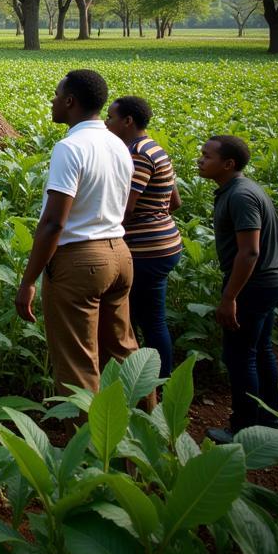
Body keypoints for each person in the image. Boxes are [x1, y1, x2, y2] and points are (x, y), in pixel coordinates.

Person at [16, 69, 138, 396]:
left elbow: (54, 222)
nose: (53, 101)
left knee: (78, 365)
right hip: (119, 255)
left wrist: (28, 281)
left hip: (80, 262)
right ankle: (147, 433)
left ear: (69, 101)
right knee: (123, 352)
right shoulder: (118, 145)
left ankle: (86, 444)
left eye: (57, 96)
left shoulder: (70, 148)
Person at [197, 135, 278, 442]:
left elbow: (249, 251)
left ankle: (244, 430)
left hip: (256, 284)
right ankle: (268, 420)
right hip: (272, 279)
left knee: (240, 357)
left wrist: (230, 297)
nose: (200, 159)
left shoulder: (240, 196)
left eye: (207, 156)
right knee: (260, 350)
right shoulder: (241, 188)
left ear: (229, 164)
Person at [105, 96, 183, 379]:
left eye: (111, 117)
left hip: (147, 251)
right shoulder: (155, 148)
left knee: (147, 320)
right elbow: (175, 202)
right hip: (165, 243)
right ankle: (152, 380)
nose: (105, 122)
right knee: (149, 317)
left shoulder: (137, 153)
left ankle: (155, 382)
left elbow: (126, 207)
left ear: (128, 121)